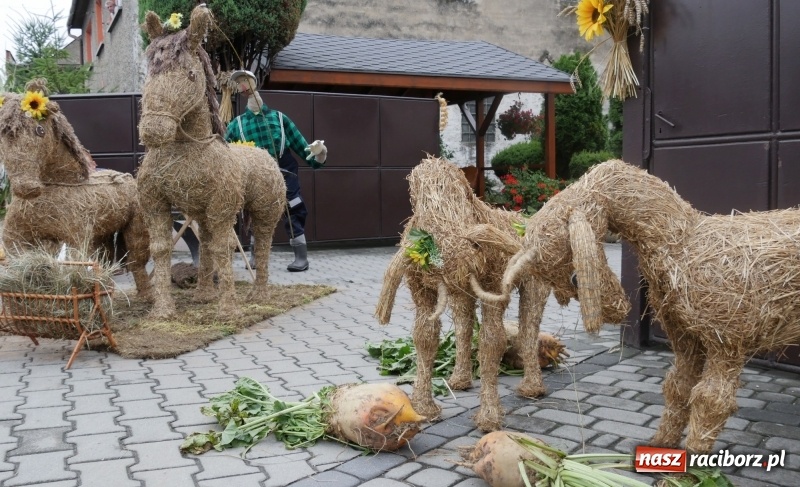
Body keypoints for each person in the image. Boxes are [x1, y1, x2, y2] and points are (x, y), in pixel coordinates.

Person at [225, 70, 327, 272]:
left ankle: (301, 256)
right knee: (255, 211)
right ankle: (256, 254)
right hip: (256, 175)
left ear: (254, 83)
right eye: (239, 83)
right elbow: (225, 154)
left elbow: (303, 148)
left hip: (284, 170)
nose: (243, 85)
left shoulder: (280, 119)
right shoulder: (237, 124)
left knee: (293, 207)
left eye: (245, 80)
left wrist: (320, 153)